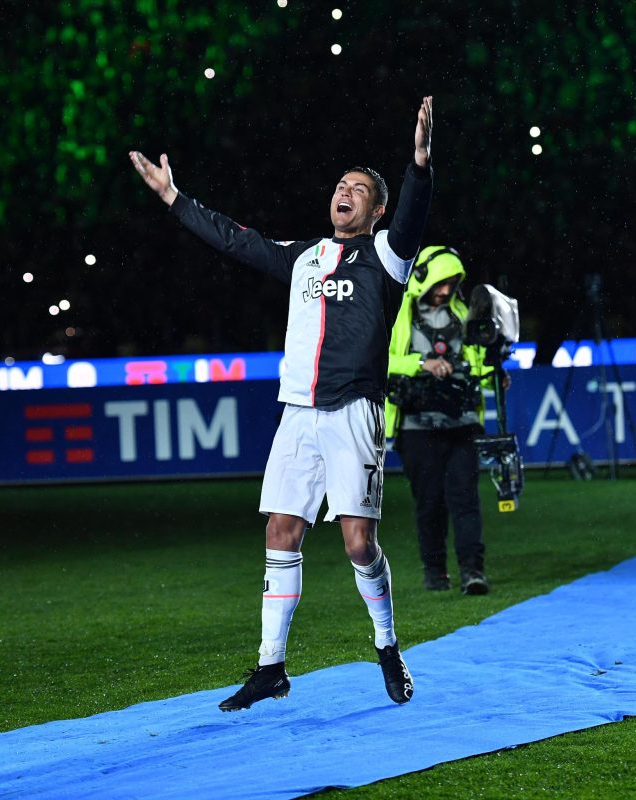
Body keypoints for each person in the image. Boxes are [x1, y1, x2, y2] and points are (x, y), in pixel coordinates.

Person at [129, 96, 434, 711]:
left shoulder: (385, 258)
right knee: (281, 531)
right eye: (339, 185)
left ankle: (386, 645)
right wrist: (173, 199)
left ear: (375, 210)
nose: (343, 192)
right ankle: (271, 667)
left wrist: (419, 167)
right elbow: (236, 241)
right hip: (297, 413)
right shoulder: (304, 258)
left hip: (353, 413)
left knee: (356, 544)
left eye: (357, 190)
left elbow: (412, 219)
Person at [385, 246, 493, 595]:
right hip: (416, 426)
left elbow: (479, 367)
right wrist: (422, 364)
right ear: (422, 278)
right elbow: (379, 360)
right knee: (429, 502)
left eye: (452, 282)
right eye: (440, 282)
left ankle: (473, 572)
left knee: (465, 499)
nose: (445, 290)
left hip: (462, 423)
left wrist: (494, 374)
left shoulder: (466, 314)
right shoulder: (398, 312)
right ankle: (435, 572)